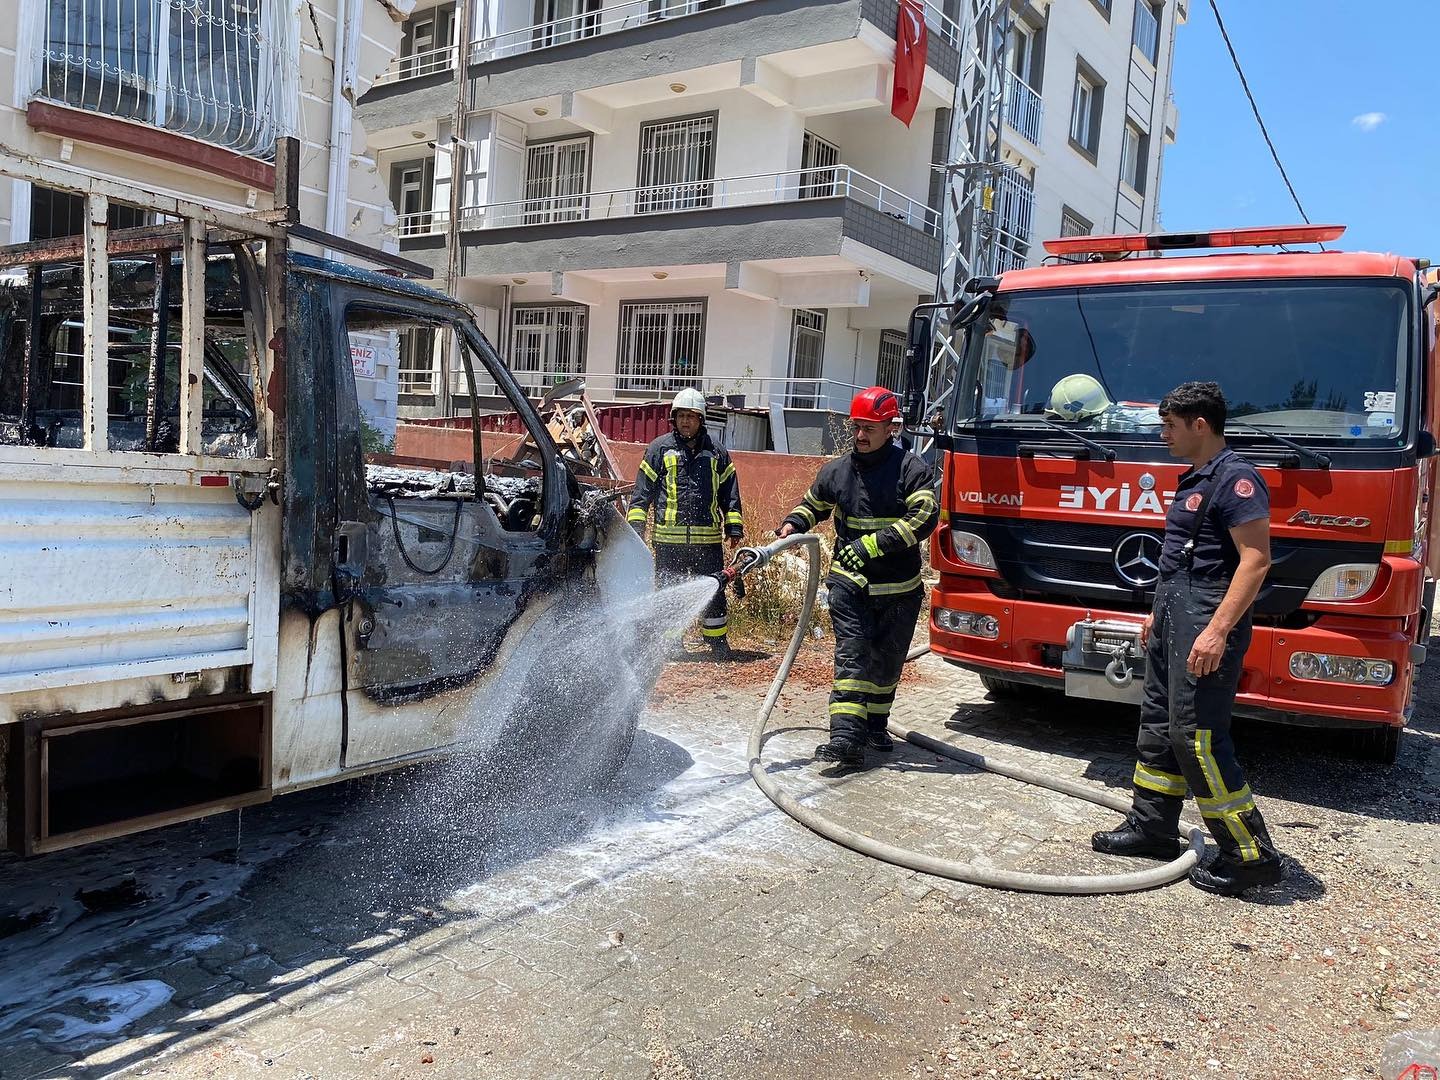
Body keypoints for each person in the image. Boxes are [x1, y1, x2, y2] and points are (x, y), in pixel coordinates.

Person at [1092, 380, 1285, 897]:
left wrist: (1216, 631)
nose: (1163, 435)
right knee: (1158, 723)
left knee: (1197, 736)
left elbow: (1256, 560)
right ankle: (1152, 828)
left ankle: (1250, 854)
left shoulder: (1236, 480)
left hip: (1206, 615)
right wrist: (1160, 613)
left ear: (1200, 425)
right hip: (1176, 612)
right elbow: (1180, 559)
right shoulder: (1195, 478)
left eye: (1171, 426)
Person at [776, 387, 940, 767]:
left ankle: (875, 726)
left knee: (887, 664)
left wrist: (871, 545)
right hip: (850, 585)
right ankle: (846, 737)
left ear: (890, 428)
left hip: (900, 591)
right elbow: (812, 504)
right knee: (853, 659)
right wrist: (791, 523)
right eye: (857, 427)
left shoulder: (911, 470)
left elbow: (923, 518)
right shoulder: (837, 471)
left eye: (870, 428)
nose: (861, 435)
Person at [628, 388, 744, 660]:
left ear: (701, 419)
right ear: (674, 418)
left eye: (691, 416)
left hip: (708, 541)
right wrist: (636, 528)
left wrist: (734, 527)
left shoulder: (717, 453)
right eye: (681, 416)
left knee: (714, 591)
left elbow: (730, 493)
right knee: (670, 593)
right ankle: (671, 643)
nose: (685, 421)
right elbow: (641, 494)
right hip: (668, 540)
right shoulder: (659, 449)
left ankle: (716, 642)